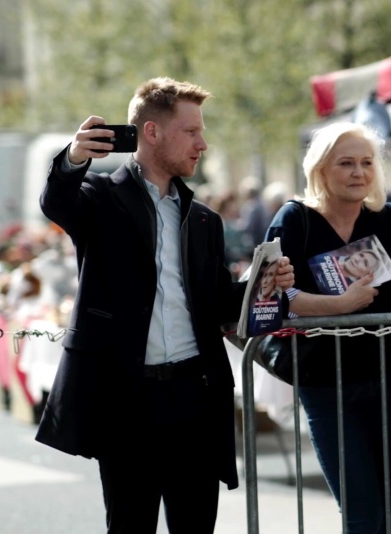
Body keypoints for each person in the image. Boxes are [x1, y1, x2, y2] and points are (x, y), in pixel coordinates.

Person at [34, 77, 295, 533]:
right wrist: (75, 157)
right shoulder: (99, 198)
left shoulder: (203, 218)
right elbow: (57, 202)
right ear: (151, 132)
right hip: (125, 400)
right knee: (130, 525)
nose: (203, 144)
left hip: (195, 396)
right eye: (191, 132)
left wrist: (262, 285)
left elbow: (217, 304)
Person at [264, 122, 391, 534]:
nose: (359, 173)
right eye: (346, 163)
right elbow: (273, 298)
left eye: (366, 163)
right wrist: (341, 305)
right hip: (326, 385)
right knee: (361, 513)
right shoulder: (294, 220)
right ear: (321, 169)